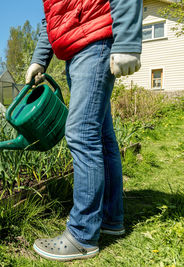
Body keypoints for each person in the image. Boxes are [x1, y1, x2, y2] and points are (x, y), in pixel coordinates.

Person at [25, 0, 143, 261]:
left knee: (81, 133)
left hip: (95, 40)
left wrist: (128, 42)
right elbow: (53, 16)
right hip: (78, 47)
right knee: (101, 136)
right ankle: (111, 219)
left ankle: (81, 235)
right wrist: (39, 59)